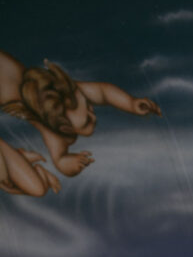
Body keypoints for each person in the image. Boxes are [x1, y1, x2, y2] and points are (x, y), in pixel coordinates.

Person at [0, 50, 161, 177]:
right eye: (86, 121)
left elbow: (103, 92)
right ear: (64, 128)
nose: (94, 117)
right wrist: (66, 163)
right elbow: (59, 161)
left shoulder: (74, 94)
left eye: (90, 109)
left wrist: (131, 104)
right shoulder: (54, 131)